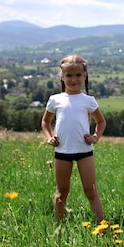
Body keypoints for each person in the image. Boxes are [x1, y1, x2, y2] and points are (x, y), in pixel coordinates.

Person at [41, 55, 106, 222]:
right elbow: (45, 122)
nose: (74, 79)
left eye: (78, 75)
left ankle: (102, 225)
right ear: (62, 77)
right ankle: (58, 225)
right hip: (62, 151)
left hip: (85, 151)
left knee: (91, 191)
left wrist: (95, 137)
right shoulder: (55, 100)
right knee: (62, 190)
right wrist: (49, 138)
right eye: (69, 75)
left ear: (85, 76)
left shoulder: (89, 101)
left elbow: (101, 122)